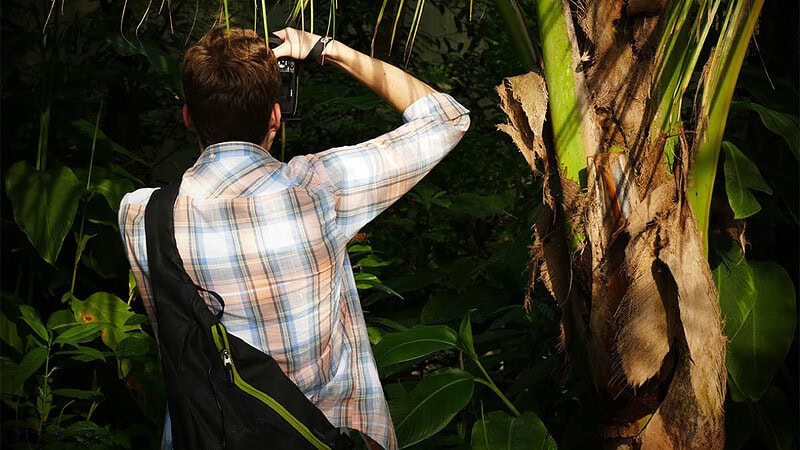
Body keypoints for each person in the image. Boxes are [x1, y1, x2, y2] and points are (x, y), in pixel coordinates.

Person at [118, 26, 469, 450]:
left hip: (209, 435)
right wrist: (327, 50)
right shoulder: (320, 189)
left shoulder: (141, 214)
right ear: (274, 116)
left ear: (188, 117)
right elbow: (448, 118)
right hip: (322, 435)